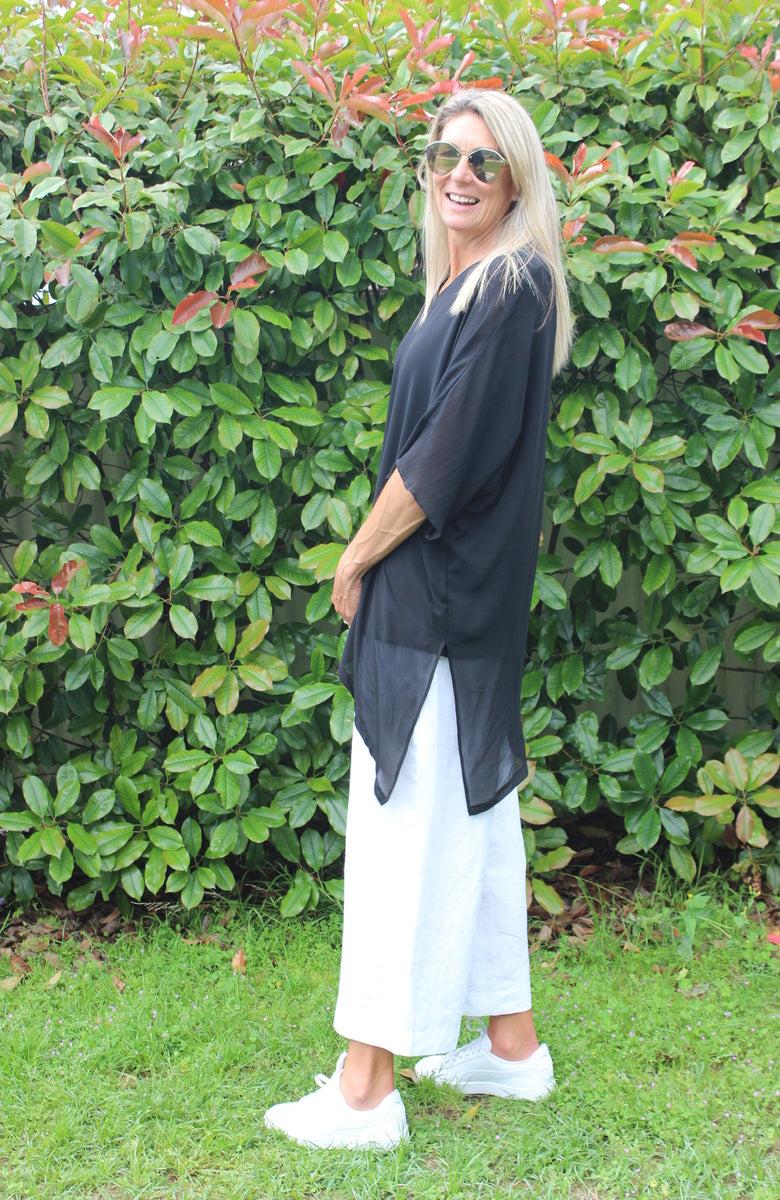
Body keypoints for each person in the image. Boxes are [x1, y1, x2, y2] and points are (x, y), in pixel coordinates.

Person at [264, 87, 572, 1150]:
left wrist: (356, 554)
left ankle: (366, 1093)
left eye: (485, 161)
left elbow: (440, 461)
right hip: (459, 600)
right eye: (446, 154)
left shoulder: (510, 286)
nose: (459, 174)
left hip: (436, 601)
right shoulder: (470, 284)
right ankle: (512, 1050)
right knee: (471, 821)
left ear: (517, 182)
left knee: (402, 830)